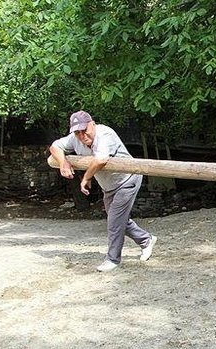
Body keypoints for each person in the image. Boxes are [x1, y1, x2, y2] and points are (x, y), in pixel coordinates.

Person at [49, 111, 157, 272]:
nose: (81, 135)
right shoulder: (75, 138)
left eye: (84, 130)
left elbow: (101, 159)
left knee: (114, 221)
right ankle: (146, 240)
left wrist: (86, 178)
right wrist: (63, 161)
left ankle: (113, 259)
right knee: (119, 220)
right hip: (109, 186)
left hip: (127, 180)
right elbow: (54, 146)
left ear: (92, 124)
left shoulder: (105, 134)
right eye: (77, 132)